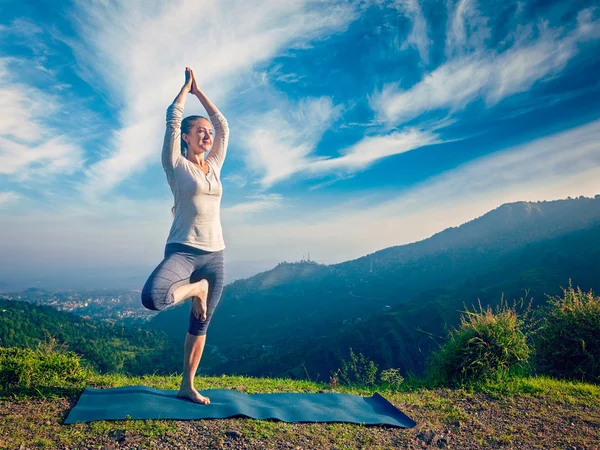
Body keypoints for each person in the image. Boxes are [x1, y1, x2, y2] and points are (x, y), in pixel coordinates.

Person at [141, 67, 229, 405]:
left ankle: (187, 385)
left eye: (208, 133)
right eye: (200, 132)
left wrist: (201, 93)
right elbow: (172, 119)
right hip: (183, 251)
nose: (208, 136)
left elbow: (224, 126)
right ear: (187, 138)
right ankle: (197, 289)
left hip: (215, 254)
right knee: (154, 297)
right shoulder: (175, 164)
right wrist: (185, 91)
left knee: (200, 324)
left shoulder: (215, 166)